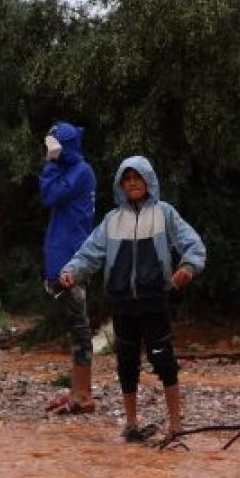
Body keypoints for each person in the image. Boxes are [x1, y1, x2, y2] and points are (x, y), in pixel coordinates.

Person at [58, 156, 206, 441]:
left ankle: (176, 425)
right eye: (127, 179)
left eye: (138, 177)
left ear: (148, 180)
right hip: (122, 301)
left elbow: (193, 245)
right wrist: (71, 272)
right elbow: (89, 253)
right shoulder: (112, 220)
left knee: (164, 361)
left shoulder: (164, 213)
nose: (133, 183)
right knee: (126, 363)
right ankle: (131, 423)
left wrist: (188, 268)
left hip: (155, 299)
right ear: (121, 185)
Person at [40, 122, 97, 415]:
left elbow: (49, 196)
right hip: (64, 256)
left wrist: (50, 162)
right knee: (75, 327)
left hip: (73, 259)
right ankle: (77, 390)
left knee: (79, 327)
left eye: (52, 145)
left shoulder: (81, 172)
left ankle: (84, 395)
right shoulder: (73, 171)